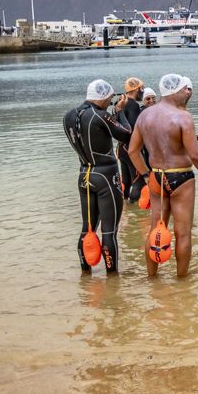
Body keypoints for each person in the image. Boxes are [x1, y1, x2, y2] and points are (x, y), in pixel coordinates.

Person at [129, 74, 198, 277]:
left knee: (154, 230)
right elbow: (194, 154)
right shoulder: (183, 117)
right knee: (183, 233)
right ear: (175, 91)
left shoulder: (145, 116)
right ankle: (182, 281)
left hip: (156, 177)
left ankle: (152, 278)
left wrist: (145, 175)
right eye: (184, 89)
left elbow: (133, 151)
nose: (187, 93)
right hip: (181, 178)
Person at [63, 79, 132, 273]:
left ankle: (85, 274)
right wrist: (119, 112)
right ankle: (112, 279)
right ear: (103, 97)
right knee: (109, 232)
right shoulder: (101, 115)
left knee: (87, 229)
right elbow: (127, 134)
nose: (111, 101)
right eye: (110, 98)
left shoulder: (69, 116)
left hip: (84, 175)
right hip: (106, 177)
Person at [117, 77, 146, 201]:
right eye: (142, 88)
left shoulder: (121, 103)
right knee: (139, 182)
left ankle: (125, 210)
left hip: (121, 148)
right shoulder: (133, 104)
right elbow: (135, 129)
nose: (143, 92)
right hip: (131, 149)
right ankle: (136, 216)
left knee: (126, 182)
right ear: (137, 88)